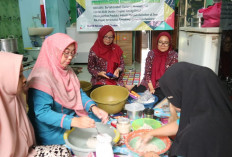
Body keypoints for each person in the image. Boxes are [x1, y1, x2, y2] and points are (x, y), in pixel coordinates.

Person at [26, 33, 109, 145]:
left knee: (98, 121)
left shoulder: (67, 70)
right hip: (52, 130)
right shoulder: (41, 77)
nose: (70, 57)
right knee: (87, 138)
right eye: (66, 53)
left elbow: (78, 93)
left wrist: (93, 108)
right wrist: (74, 121)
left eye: (72, 53)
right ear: (53, 52)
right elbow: (42, 113)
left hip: (70, 117)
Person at [140, 62, 232, 157]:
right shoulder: (216, 109)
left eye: (171, 98)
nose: (171, 102)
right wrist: (151, 133)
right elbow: (181, 123)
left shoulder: (196, 134)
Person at [0, 52, 71, 157]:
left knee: (65, 152)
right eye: (19, 76)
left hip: (27, 150)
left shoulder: (14, 96)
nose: (25, 79)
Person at [132, 32, 178, 102]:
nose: (163, 45)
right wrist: (151, 88)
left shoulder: (173, 55)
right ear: (157, 43)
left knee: (156, 99)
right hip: (148, 82)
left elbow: (171, 76)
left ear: (169, 44)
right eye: (160, 42)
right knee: (135, 96)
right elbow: (147, 73)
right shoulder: (151, 53)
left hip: (163, 84)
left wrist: (155, 89)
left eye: (166, 42)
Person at [88, 25, 125, 91]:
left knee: (120, 94)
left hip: (115, 80)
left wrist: (118, 70)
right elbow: (90, 68)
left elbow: (122, 64)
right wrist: (99, 73)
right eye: (105, 37)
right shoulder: (94, 51)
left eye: (111, 37)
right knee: (101, 94)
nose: (108, 39)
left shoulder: (116, 49)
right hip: (100, 80)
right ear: (101, 36)